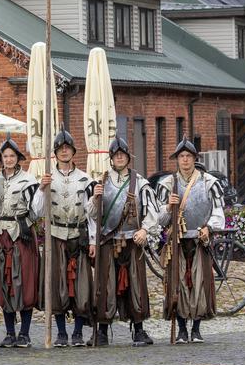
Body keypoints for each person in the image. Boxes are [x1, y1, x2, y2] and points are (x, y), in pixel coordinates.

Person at [86, 136, 161, 347]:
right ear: (111, 158)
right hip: (108, 242)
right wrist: (94, 198)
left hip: (132, 242)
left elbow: (152, 211)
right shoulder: (100, 182)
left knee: (136, 285)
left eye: (123, 154)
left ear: (128, 157)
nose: (119, 157)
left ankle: (138, 330)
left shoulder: (141, 183)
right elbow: (91, 215)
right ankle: (101, 331)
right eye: (116, 155)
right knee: (105, 286)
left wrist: (145, 230)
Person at [156, 136, 222, 343]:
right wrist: (168, 206)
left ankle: (196, 329)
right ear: (177, 159)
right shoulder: (167, 184)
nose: (185, 160)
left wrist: (209, 228)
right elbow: (159, 219)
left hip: (199, 241)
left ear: (194, 158)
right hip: (176, 242)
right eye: (181, 156)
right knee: (177, 286)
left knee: (199, 284)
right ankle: (182, 329)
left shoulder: (209, 183)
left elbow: (219, 212)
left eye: (188, 156)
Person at [32, 128, 93, 348]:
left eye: (67, 148)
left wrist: (93, 240)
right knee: (56, 285)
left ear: (73, 151)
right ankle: (60, 332)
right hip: (55, 236)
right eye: (60, 148)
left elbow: (92, 214)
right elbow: (36, 211)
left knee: (80, 286)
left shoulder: (85, 179)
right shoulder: (47, 177)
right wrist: (41, 188)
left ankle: (77, 332)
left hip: (78, 236)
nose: (64, 151)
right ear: (55, 153)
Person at [0, 136, 39, 348]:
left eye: (12, 156)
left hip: (21, 235)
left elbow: (37, 211)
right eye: (5, 156)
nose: (9, 159)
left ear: (18, 158)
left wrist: (43, 191)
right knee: (4, 283)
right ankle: (10, 333)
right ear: (1, 158)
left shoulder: (30, 180)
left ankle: (25, 333)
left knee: (24, 283)